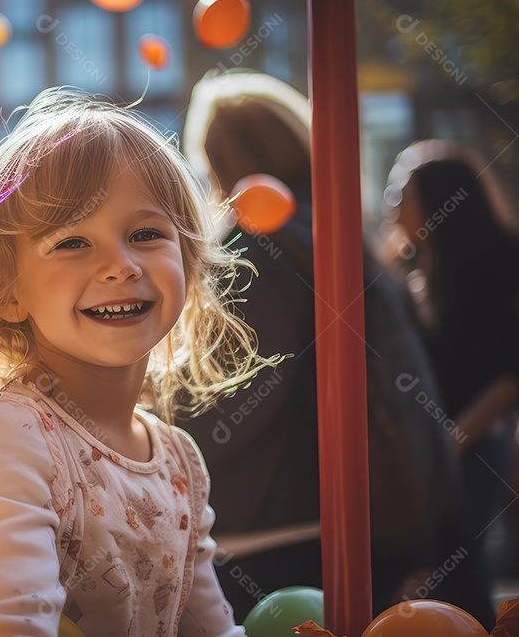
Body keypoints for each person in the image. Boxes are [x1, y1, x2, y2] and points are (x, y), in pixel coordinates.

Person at [0, 87, 279, 636]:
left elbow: (211, 630)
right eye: (71, 242)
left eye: (146, 234)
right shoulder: (11, 433)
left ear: (189, 262)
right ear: (8, 291)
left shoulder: (179, 461)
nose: (120, 264)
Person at [181, 70, 459, 619]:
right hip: (358, 517)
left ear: (218, 163)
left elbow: (227, 396)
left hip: (271, 532)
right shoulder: (339, 233)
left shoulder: (254, 253)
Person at [379, 139, 519, 628]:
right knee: (434, 569)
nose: (390, 205)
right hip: (431, 448)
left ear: (440, 202)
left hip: (477, 446)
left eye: (402, 194)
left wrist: (456, 438)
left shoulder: (498, 265)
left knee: (464, 569)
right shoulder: (407, 271)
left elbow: (510, 373)